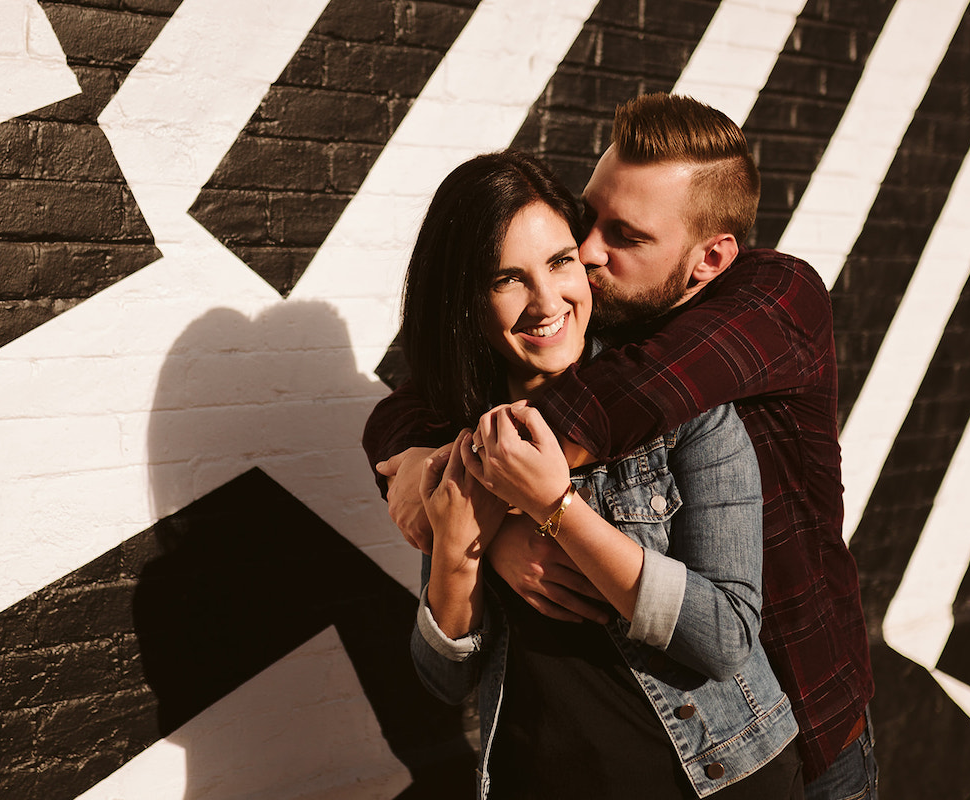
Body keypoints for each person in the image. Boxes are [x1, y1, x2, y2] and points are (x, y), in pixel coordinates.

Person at [366, 94, 876, 799]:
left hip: (799, 732)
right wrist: (447, 505)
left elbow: (627, 396)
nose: (592, 256)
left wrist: (502, 489)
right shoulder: (581, 324)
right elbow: (406, 408)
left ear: (710, 258)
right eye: (587, 223)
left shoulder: (771, 303)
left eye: (626, 237)